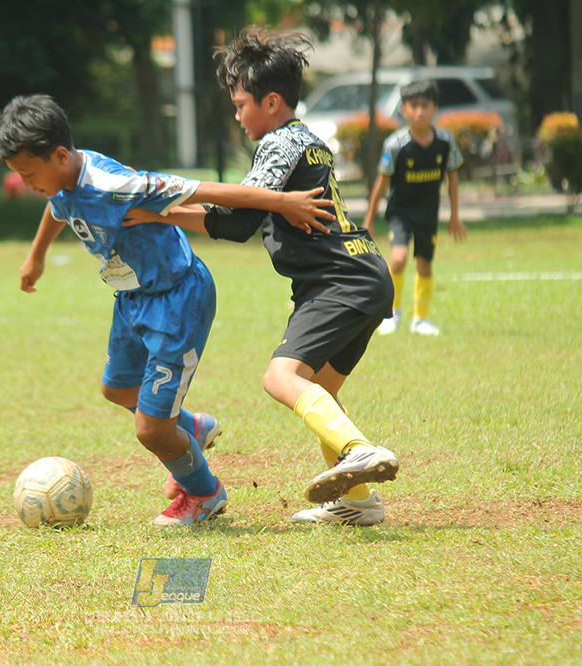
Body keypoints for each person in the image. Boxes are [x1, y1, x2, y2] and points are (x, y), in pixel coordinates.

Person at [0, 93, 334, 526]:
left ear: (59, 155)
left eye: (27, 174)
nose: (25, 183)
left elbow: (203, 189)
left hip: (177, 299)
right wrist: (36, 256)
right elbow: (57, 209)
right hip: (132, 297)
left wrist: (282, 202)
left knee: (151, 430)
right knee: (118, 389)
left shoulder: (114, 184)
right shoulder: (61, 179)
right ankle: (195, 428)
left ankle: (205, 494)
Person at [124, 28, 399, 526]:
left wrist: (163, 210)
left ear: (271, 102)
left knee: (282, 377)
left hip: (339, 280)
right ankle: (359, 502)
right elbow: (242, 218)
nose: (237, 115)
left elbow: (240, 222)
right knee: (323, 395)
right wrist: (167, 214)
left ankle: (358, 450)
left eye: (241, 104)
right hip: (364, 272)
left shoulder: (278, 143)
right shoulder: (308, 140)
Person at [363, 79, 467, 336]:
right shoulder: (396, 144)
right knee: (397, 260)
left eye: (425, 105)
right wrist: (369, 218)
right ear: (404, 110)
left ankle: (420, 320)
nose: (420, 111)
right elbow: (382, 182)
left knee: (424, 265)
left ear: (435, 108)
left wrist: (455, 215)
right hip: (400, 213)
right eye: (414, 106)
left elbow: (453, 177)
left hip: (428, 214)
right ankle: (392, 314)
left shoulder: (445, 142)